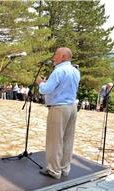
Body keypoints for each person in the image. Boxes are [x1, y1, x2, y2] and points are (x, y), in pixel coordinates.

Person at [36, 47, 80, 179]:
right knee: (68, 140)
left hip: (59, 108)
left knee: (54, 140)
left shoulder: (58, 71)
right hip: (72, 107)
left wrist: (40, 83)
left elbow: (46, 90)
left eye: (56, 54)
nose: (53, 57)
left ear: (63, 57)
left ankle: (54, 170)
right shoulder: (75, 71)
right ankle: (64, 168)